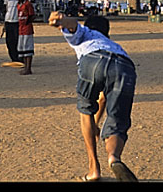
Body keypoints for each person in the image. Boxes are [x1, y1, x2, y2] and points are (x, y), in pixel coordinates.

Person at [48, 11, 138, 182]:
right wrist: (96, 125)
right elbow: (103, 97)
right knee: (117, 122)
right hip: (125, 66)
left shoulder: (87, 33)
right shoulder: (113, 45)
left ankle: (93, 169)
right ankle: (114, 158)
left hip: (93, 59)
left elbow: (73, 25)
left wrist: (60, 20)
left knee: (85, 110)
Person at [13, 0, 35, 75]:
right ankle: (25, 67)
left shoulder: (27, 4)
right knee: (22, 49)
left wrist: (27, 23)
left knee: (28, 49)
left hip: (27, 29)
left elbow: (32, 15)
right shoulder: (18, 5)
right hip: (20, 29)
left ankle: (28, 68)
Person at [1, 0, 22, 67]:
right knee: (10, 41)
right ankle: (13, 59)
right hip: (9, 21)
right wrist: (4, 23)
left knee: (18, 41)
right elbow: (7, 9)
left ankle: (20, 59)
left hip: (18, 22)